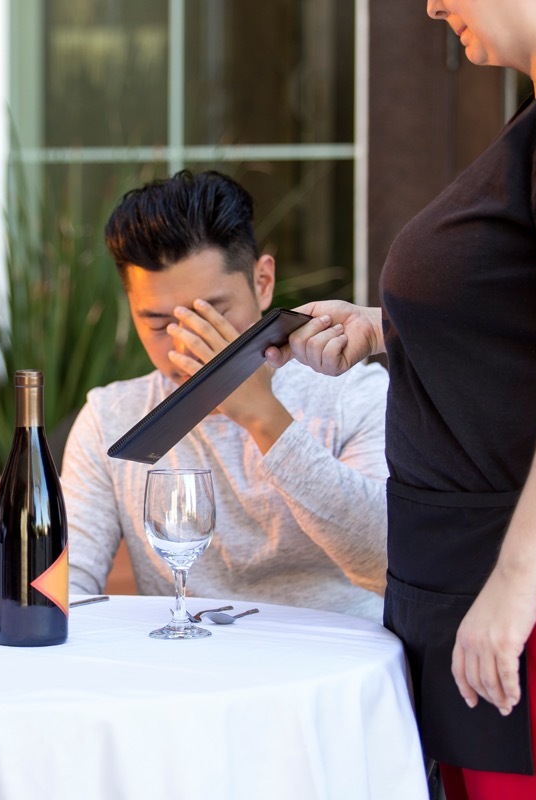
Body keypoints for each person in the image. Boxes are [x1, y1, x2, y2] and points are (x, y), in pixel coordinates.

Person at [265, 1, 536, 796]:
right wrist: (390, 327)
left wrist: (514, 582)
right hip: (477, 596)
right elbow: (531, 323)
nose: (431, 4)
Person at [62, 170, 390, 622]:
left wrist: (265, 419)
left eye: (212, 316)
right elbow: (66, 582)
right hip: (185, 676)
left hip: (337, 670)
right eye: (159, 324)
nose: (186, 346)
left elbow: (391, 563)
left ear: (262, 282)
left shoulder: (352, 394)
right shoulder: (111, 416)